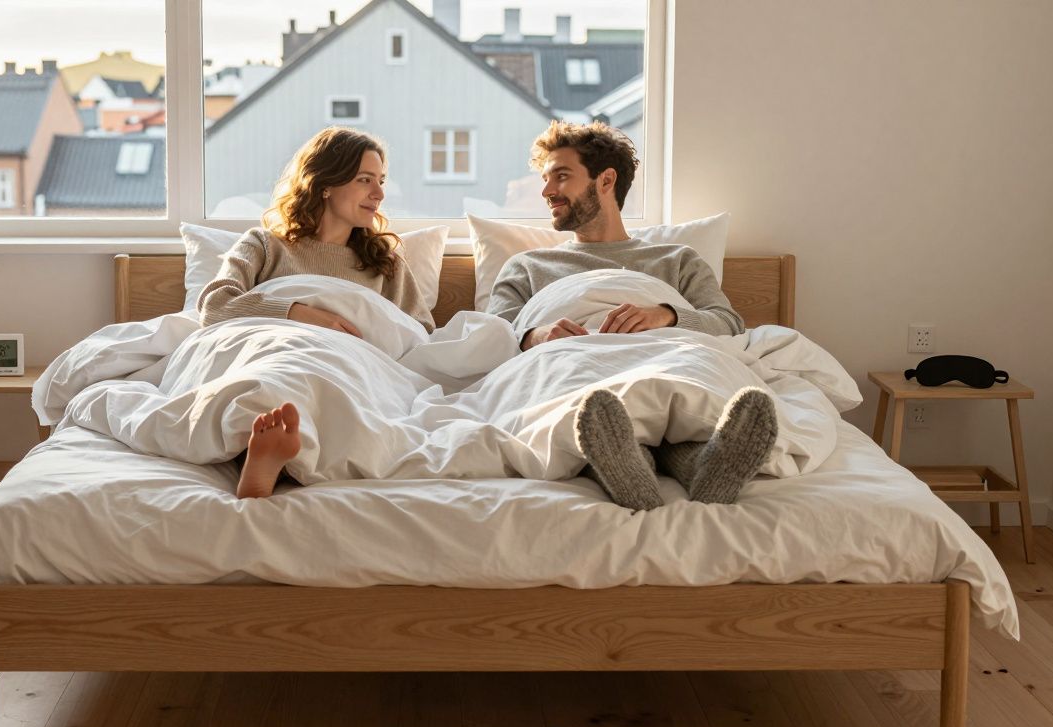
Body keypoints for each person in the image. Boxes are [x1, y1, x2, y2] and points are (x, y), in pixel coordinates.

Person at [487, 120, 778, 510]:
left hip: (666, 356)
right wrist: (536, 336)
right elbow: (490, 336)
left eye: (561, 176)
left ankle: (708, 466)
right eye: (545, 178)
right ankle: (628, 466)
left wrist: (666, 316)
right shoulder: (527, 266)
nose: (546, 191)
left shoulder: (676, 260)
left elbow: (729, 324)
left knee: (674, 402)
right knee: (595, 414)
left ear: (605, 181)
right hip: (575, 363)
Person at [193, 127, 434, 499]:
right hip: (278, 351)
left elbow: (418, 336)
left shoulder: (385, 264)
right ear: (326, 184)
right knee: (280, 374)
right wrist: (298, 313)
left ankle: (283, 458)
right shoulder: (264, 244)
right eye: (365, 180)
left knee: (329, 385)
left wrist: (367, 348)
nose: (379, 193)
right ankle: (268, 454)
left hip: (349, 364)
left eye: (381, 181)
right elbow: (215, 306)